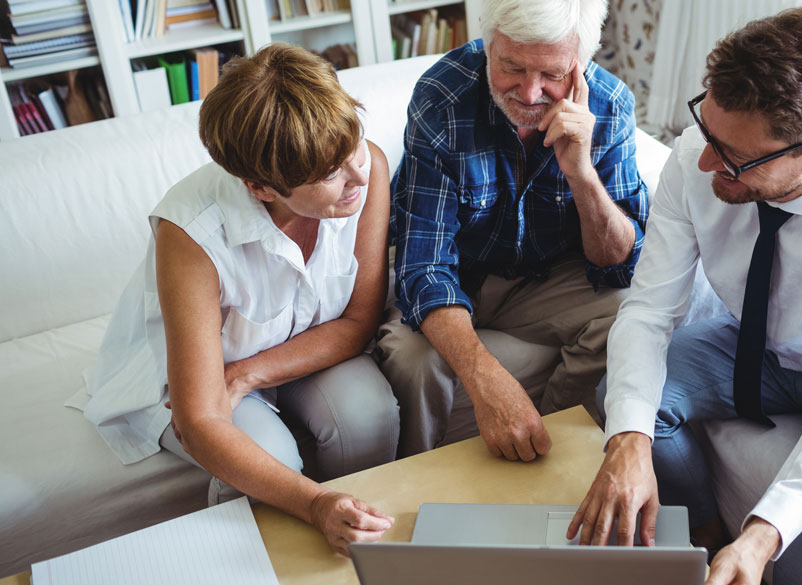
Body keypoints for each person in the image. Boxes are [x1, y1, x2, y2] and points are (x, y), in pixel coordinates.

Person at [569, 8, 802, 585]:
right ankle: (704, 534)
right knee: (627, 405)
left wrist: (764, 531)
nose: (702, 161)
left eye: (732, 158)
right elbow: (648, 311)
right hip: (758, 346)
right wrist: (629, 441)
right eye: (708, 131)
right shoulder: (696, 157)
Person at [76, 43, 400, 556]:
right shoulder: (191, 233)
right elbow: (201, 420)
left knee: (369, 412)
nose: (359, 176)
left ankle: (370, 547)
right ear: (260, 187)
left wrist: (248, 373)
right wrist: (315, 504)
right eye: (330, 175)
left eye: (354, 147)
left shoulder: (367, 169)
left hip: (297, 349)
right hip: (186, 379)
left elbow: (359, 319)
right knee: (268, 456)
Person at [378, 0, 648, 461]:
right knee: (411, 358)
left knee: (629, 311)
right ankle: (416, 480)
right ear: (489, 46)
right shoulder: (442, 98)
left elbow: (620, 266)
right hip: (456, 274)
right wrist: (489, 381)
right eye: (512, 67)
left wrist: (581, 173)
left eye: (553, 75)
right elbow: (423, 265)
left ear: (581, 63)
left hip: (543, 282)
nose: (529, 92)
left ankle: (552, 452)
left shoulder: (611, 104)